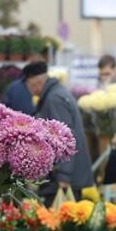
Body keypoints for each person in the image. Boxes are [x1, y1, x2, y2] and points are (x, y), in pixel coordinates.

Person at [24, 62, 94, 205]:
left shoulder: (53, 98)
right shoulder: (55, 93)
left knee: (61, 221)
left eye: (28, 83)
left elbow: (65, 138)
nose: (27, 88)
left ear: (36, 82)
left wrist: (64, 175)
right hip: (65, 175)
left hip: (62, 179)